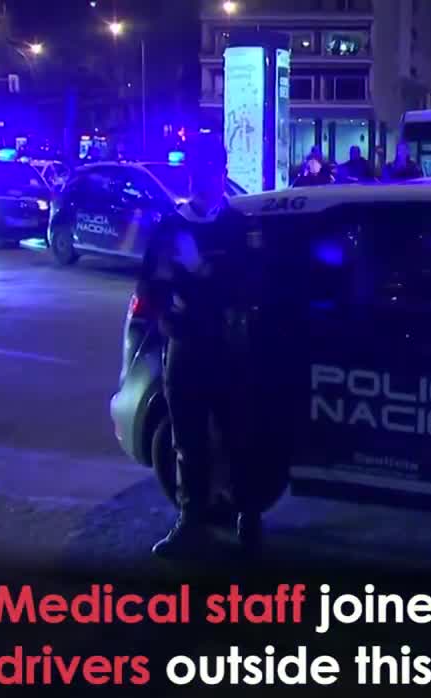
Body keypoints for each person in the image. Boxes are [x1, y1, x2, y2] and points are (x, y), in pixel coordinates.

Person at [138, 133, 264, 558]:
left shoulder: (239, 226)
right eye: (196, 171)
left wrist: (204, 274)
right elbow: (150, 288)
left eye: (211, 170)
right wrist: (167, 317)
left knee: (239, 437)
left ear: (222, 172)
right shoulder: (170, 228)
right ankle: (191, 521)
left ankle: (248, 518)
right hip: (185, 349)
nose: (203, 180)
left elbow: (252, 283)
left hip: (230, 349)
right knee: (188, 441)